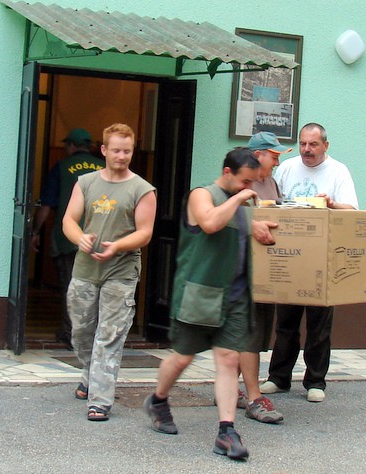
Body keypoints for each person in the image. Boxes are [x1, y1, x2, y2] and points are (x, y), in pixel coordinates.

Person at [143, 148, 263, 461]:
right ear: (227, 172)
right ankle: (158, 399)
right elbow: (210, 224)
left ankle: (226, 432)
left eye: (253, 182)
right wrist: (238, 200)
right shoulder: (202, 195)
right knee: (182, 358)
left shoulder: (241, 205)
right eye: (245, 181)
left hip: (234, 297)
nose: (249, 187)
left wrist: (258, 229)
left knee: (228, 359)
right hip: (199, 294)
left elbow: (237, 235)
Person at [62, 123, 157, 421]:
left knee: (110, 335)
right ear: (103, 150)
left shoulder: (142, 189)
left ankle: (100, 399)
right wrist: (80, 238)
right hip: (86, 269)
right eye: (116, 150)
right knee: (81, 331)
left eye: (127, 151)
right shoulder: (86, 182)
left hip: (121, 271)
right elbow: (69, 220)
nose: (121, 156)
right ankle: (90, 376)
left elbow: (145, 233)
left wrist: (116, 247)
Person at [260, 122, 359, 403]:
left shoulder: (338, 171)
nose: (307, 150)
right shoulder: (288, 167)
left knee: (319, 326)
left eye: (313, 145)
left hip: (323, 261)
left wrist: (330, 204)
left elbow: (352, 209)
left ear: (325, 145)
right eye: (303, 144)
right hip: (290, 258)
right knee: (285, 324)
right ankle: (278, 378)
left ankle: (315, 381)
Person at [235, 131, 292, 424]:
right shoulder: (241, 181)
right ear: (258, 155)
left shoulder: (270, 182)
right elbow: (226, 217)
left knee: (251, 334)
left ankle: (231, 390)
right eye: (274, 156)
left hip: (268, 269)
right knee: (250, 336)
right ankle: (254, 398)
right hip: (244, 271)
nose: (278, 162)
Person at [30, 128, 105, 349]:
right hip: (100, 240)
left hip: (68, 240)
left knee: (70, 287)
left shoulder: (61, 168)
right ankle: (94, 336)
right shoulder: (106, 169)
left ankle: (71, 333)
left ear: (71, 146)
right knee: (97, 287)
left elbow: (46, 205)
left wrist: (34, 231)